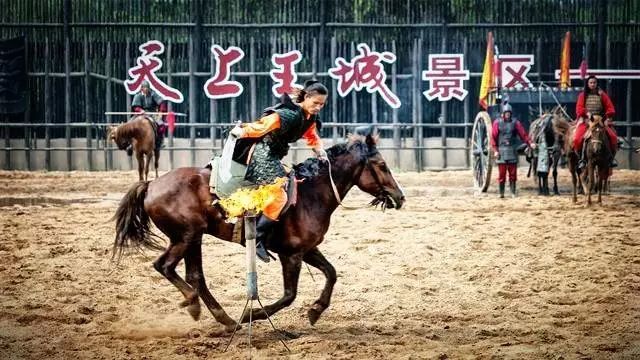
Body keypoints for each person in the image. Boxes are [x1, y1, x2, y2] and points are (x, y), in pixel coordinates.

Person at [229, 80, 328, 262]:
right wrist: (241, 131)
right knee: (279, 195)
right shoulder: (287, 115)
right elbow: (261, 126)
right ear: (306, 98)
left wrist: (320, 152)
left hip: (274, 156)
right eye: (315, 103)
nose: (318, 107)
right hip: (261, 154)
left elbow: (312, 137)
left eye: (322, 104)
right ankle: (257, 238)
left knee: (292, 182)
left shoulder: (310, 119)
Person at [491, 103, 535, 198]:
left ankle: (513, 192)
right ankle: (501, 193)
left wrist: (530, 143)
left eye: (509, 113)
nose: (507, 114)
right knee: (502, 174)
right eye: (506, 113)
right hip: (501, 151)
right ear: (503, 113)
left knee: (513, 174)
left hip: (512, 150)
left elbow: (523, 135)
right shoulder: (497, 123)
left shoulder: (515, 123)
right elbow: (493, 138)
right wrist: (495, 150)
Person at [574, 75, 618, 170]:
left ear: (597, 83)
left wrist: (606, 116)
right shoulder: (582, 95)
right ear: (588, 84)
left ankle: (611, 159)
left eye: (594, 82)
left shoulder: (602, 95)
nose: (593, 84)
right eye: (591, 83)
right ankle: (582, 159)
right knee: (577, 139)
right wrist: (586, 113)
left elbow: (610, 108)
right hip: (586, 121)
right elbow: (579, 108)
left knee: (613, 137)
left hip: (600, 121)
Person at [129, 80, 168, 155]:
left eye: (147, 87)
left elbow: (161, 103)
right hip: (140, 114)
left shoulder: (153, 94)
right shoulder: (138, 95)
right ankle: (129, 144)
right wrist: (141, 110)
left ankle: (159, 142)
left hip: (152, 113)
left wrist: (160, 112)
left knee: (161, 124)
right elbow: (135, 107)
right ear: (141, 88)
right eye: (144, 87)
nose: (146, 89)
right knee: (129, 125)